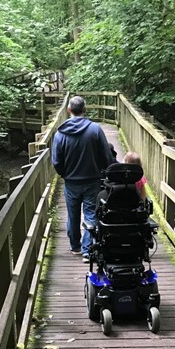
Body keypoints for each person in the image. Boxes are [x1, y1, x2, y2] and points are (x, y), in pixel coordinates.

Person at [52, 95, 115, 261]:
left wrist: (64, 173)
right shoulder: (95, 129)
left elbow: (56, 161)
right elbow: (107, 156)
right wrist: (101, 169)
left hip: (71, 181)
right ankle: (88, 249)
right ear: (84, 110)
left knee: (73, 215)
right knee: (90, 215)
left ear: (69, 110)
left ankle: (75, 246)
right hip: (92, 180)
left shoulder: (60, 134)